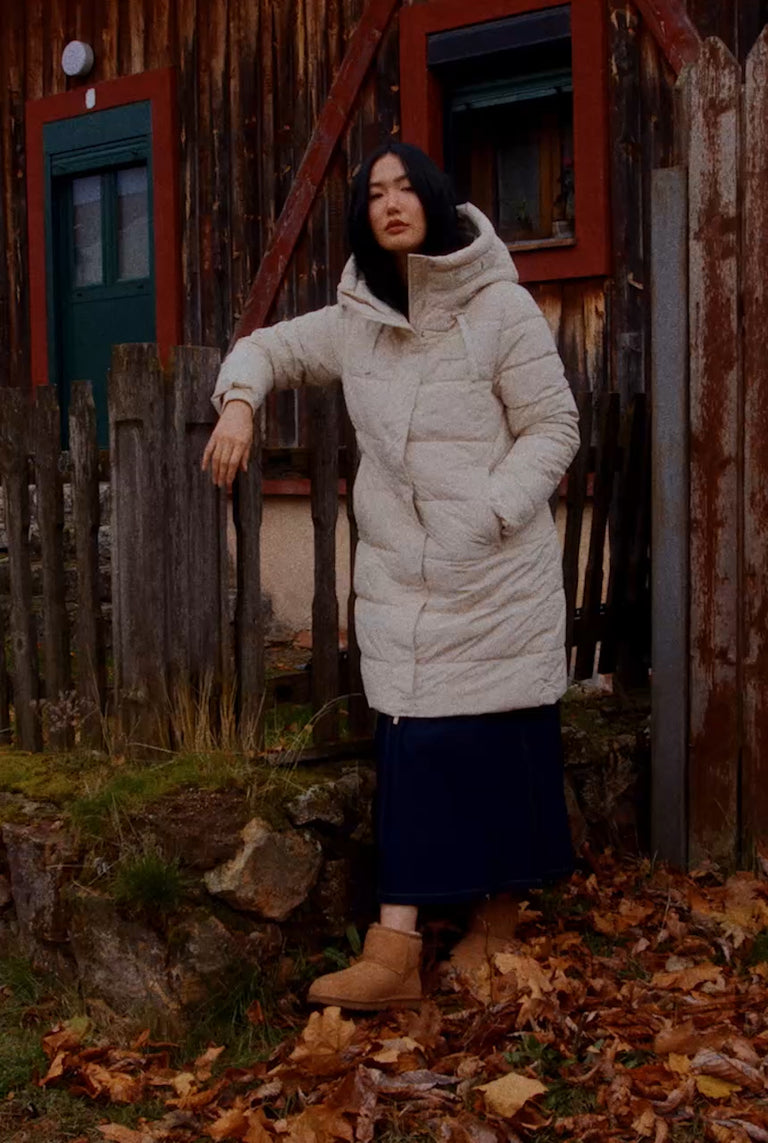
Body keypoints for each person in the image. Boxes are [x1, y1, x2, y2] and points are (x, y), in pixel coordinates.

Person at [202, 142, 581, 1011]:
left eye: (406, 186)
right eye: (375, 193)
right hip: (403, 579)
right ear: (363, 216)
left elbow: (555, 426)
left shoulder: (500, 307)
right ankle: (396, 951)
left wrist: (490, 512)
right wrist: (240, 401)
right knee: (412, 749)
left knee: (501, 744)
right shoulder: (358, 319)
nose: (392, 202)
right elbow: (266, 347)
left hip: (494, 573)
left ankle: (497, 925)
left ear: (434, 198)